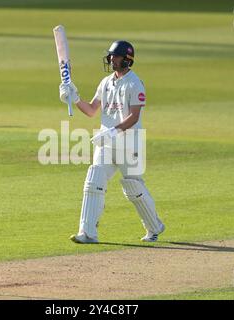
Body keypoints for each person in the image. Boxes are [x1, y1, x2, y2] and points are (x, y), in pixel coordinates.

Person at [59, 40, 165, 244]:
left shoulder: (135, 83)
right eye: (110, 56)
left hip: (129, 143)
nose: (111, 60)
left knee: (133, 187)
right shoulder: (106, 82)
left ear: (127, 60)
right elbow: (91, 110)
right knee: (94, 180)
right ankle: (88, 232)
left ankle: (154, 227)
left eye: (114, 57)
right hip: (106, 143)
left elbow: (134, 116)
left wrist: (112, 132)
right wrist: (74, 98)